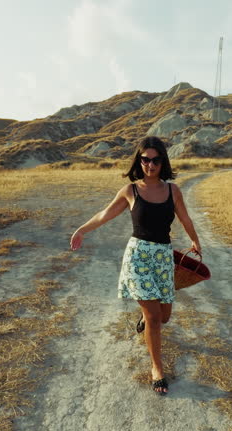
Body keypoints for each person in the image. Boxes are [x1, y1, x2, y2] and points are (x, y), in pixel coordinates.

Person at [69, 136, 202, 396]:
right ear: (138, 161)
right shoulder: (131, 190)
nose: (150, 165)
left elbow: (185, 218)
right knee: (154, 317)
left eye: (155, 160)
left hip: (163, 258)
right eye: (145, 160)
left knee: (163, 317)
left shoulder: (173, 190)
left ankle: (145, 315)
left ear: (163, 161)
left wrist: (196, 241)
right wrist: (81, 230)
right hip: (138, 258)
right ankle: (157, 369)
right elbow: (104, 214)